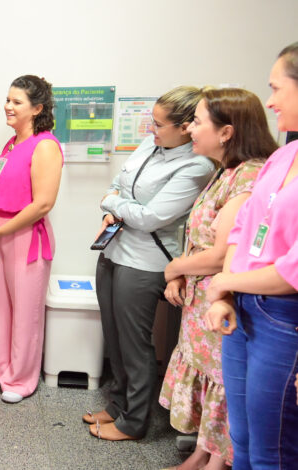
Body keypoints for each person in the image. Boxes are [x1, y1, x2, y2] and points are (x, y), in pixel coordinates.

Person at [87, 86, 216, 440]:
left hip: (145, 262)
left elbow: (152, 217)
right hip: (114, 250)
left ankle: (134, 421)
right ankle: (117, 406)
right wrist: (116, 203)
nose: (151, 130)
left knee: (135, 343)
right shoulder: (152, 145)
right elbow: (119, 183)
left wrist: (114, 205)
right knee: (114, 338)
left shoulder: (196, 165)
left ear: (186, 127)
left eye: (159, 125)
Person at [159, 89, 277, 470]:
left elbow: (223, 253)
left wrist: (174, 269)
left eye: (197, 121)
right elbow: (198, 238)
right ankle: (201, 453)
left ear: (226, 132)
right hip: (201, 296)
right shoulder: (223, 171)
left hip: (222, 299)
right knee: (208, 378)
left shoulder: (249, 177)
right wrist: (181, 276)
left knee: (223, 386)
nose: (190, 128)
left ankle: (217, 462)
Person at [205, 42, 298, 468]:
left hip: (282, 316)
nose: (270, 101)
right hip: (243, 309)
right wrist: (225, 293)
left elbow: (290, 272)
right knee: (241, 437)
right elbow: (244, 230)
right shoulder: (283, 156)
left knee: (271, 448)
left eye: (277, 88)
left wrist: (224, 282)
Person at [0, 75, 63, 403]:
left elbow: (43, 203)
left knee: (26, 309)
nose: (7, 106)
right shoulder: (11, 144)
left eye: (16, 102)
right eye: (7, 100)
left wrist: (0, 229)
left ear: (37, 109)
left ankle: (21, 378)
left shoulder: (46, 145)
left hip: (24, 236)